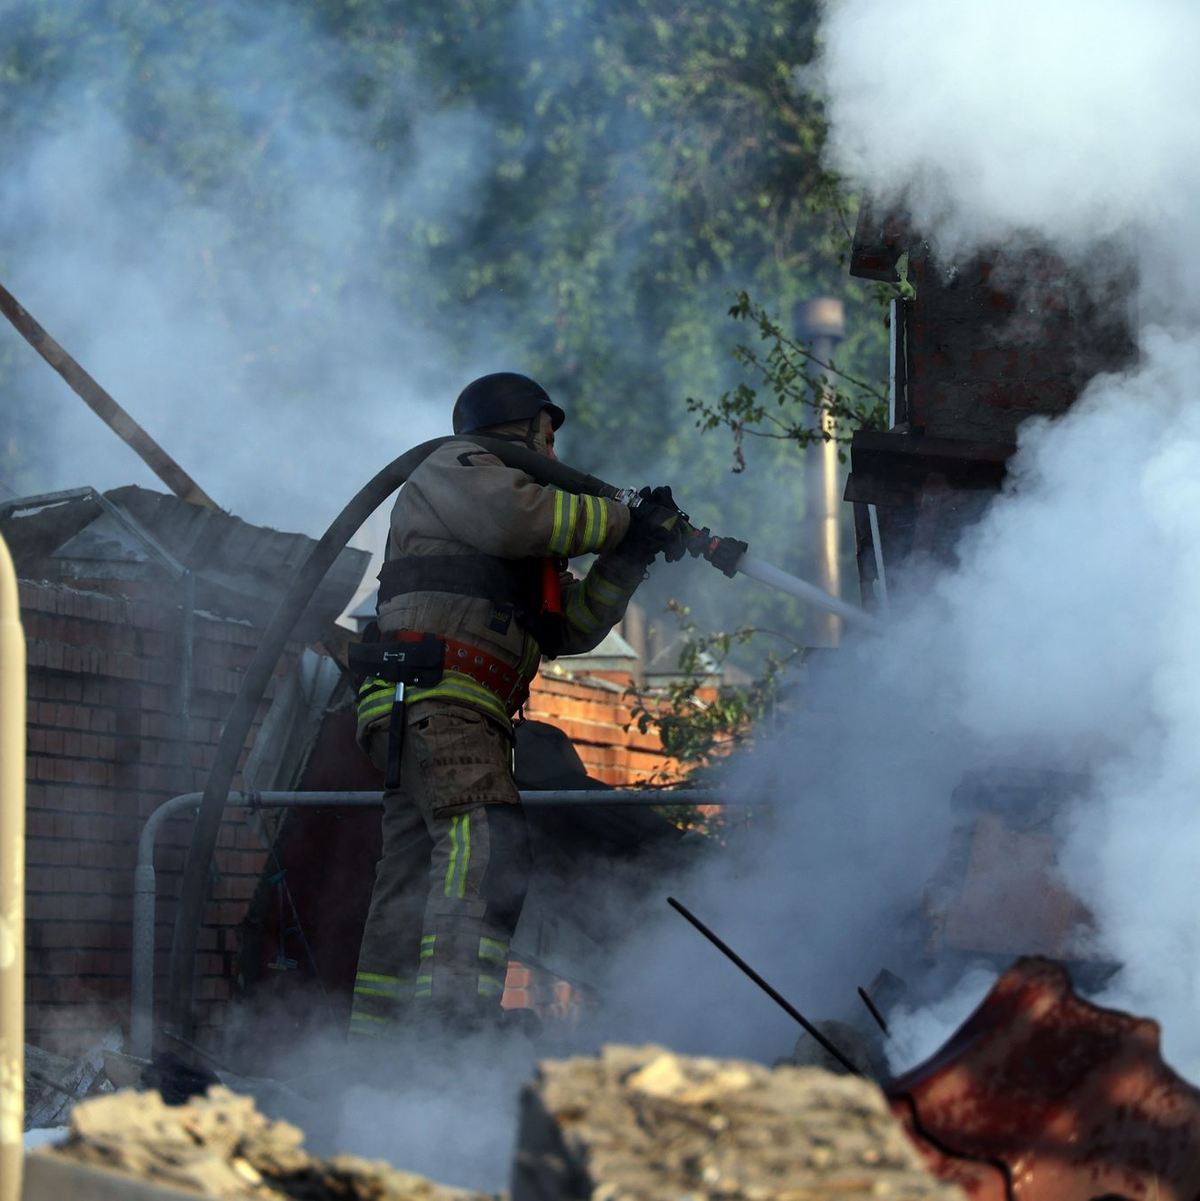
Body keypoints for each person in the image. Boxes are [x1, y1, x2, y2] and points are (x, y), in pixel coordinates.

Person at [348, 372, 685, 1041]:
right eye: (547, 436)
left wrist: (631, 556)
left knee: (410, 878)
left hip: (446, 704)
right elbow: (520, 517)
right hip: (441, 694)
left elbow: (571, 628)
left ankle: (377, 1051)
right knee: (485, 838)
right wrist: (626, 518)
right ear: (520, 428)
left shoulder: (519, 535)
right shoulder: (456, 467)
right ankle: (453, 1028)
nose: (553, 453)